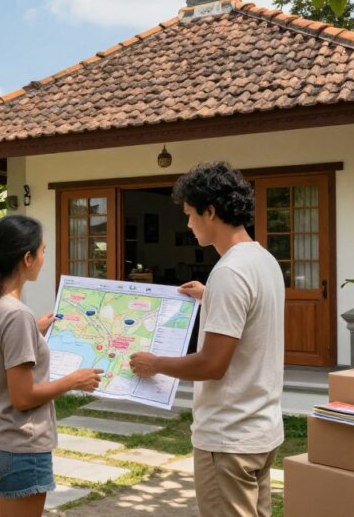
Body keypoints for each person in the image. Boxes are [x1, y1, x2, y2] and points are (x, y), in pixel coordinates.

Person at [129, 162, 285, 517]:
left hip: (229, 436)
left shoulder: (230, 272)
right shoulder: (262, 260)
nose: (187, 224)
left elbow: (212, 364)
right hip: (261, 429)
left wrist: (155, 364)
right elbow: (250, 313)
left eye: (189, 215)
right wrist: (208, 295)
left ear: (210, 212)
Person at [0, 215, 103, 517]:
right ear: (27, 258)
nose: (43, 258)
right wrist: (74, 381)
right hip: (19, 445)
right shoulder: (16, 315)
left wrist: (34, 332)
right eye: (43, 250)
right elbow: (23, 397)